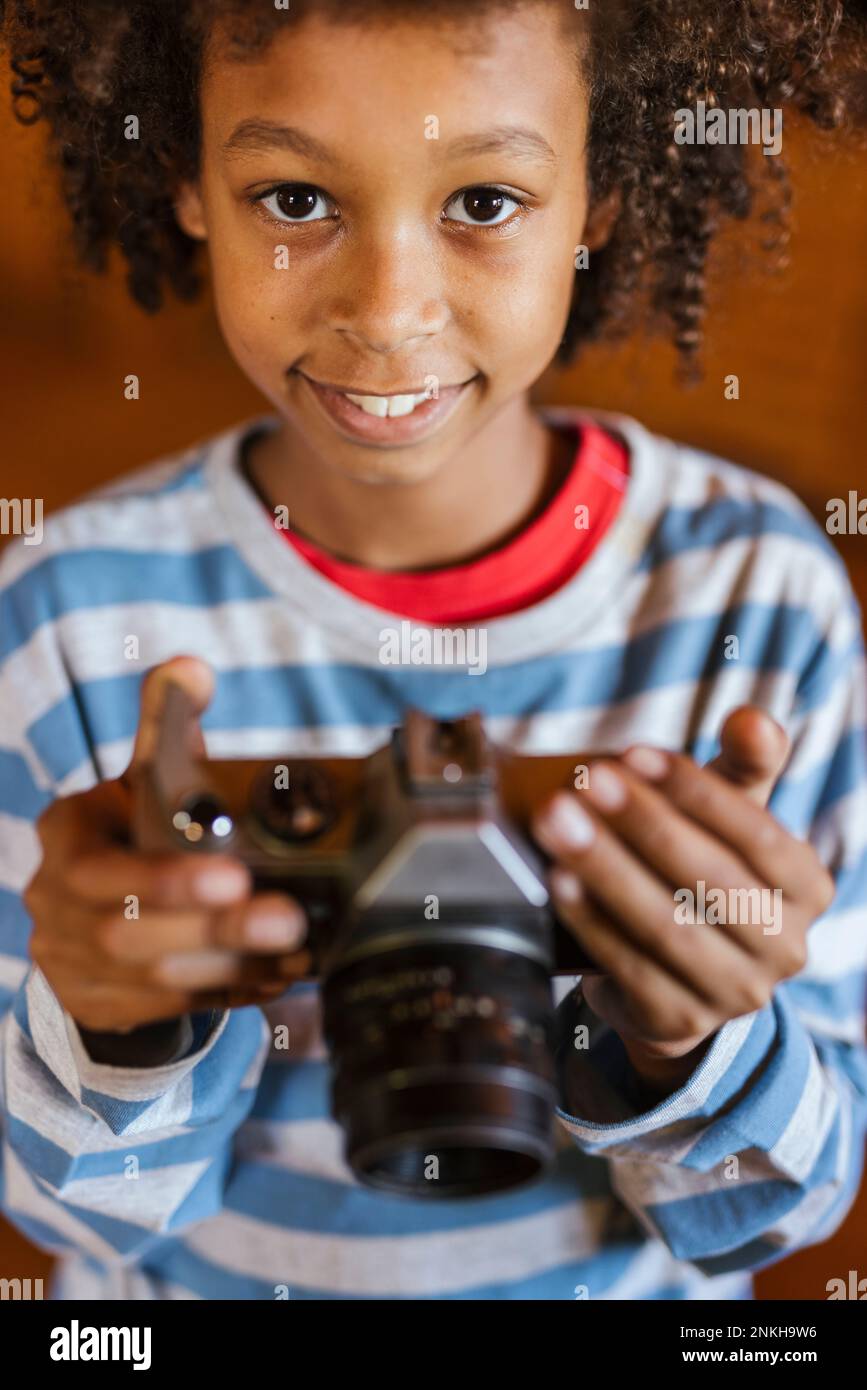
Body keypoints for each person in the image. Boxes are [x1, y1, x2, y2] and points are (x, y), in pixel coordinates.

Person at [0, 0, 865, 1301]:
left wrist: (687, 1035)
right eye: (295, 197)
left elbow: (781, 1209)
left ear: (602, 201)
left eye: (485, 200)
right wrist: (118, 1023)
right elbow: (57, 1211)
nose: (389, 313)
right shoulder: (64, 618)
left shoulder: (762, 598)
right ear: (187, 179)